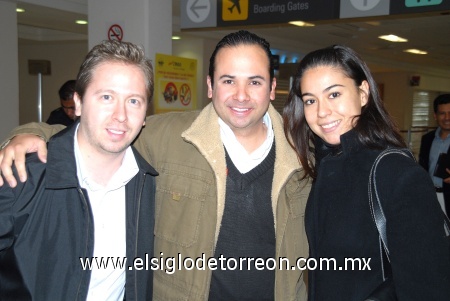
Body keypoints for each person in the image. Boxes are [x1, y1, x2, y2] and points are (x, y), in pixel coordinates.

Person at [0, 30, 310, 300]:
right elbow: (98, 137)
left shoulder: (305, 154)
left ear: (272, 87)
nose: (241, 95)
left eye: (254, 82)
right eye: (228, 80)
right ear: (210, 86)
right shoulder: (168, 137)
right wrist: (27, 134)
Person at [283, 45, 450, 300]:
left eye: (334, 94)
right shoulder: (322, 169)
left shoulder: (395, 173)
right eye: (310, 100)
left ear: (363, 94)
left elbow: (428, 286)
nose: (321, 111)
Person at [0, 40, 158, 300]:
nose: (120, 115)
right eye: (106, 97)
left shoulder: (146, 183)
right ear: (79, 103)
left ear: (144, 116)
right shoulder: (23, 177)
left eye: (133, 101)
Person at [419, 93, 450, 216]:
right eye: (442, 113)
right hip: (430, 197)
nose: (447, 117)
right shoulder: (427, 139)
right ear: (435, 116)